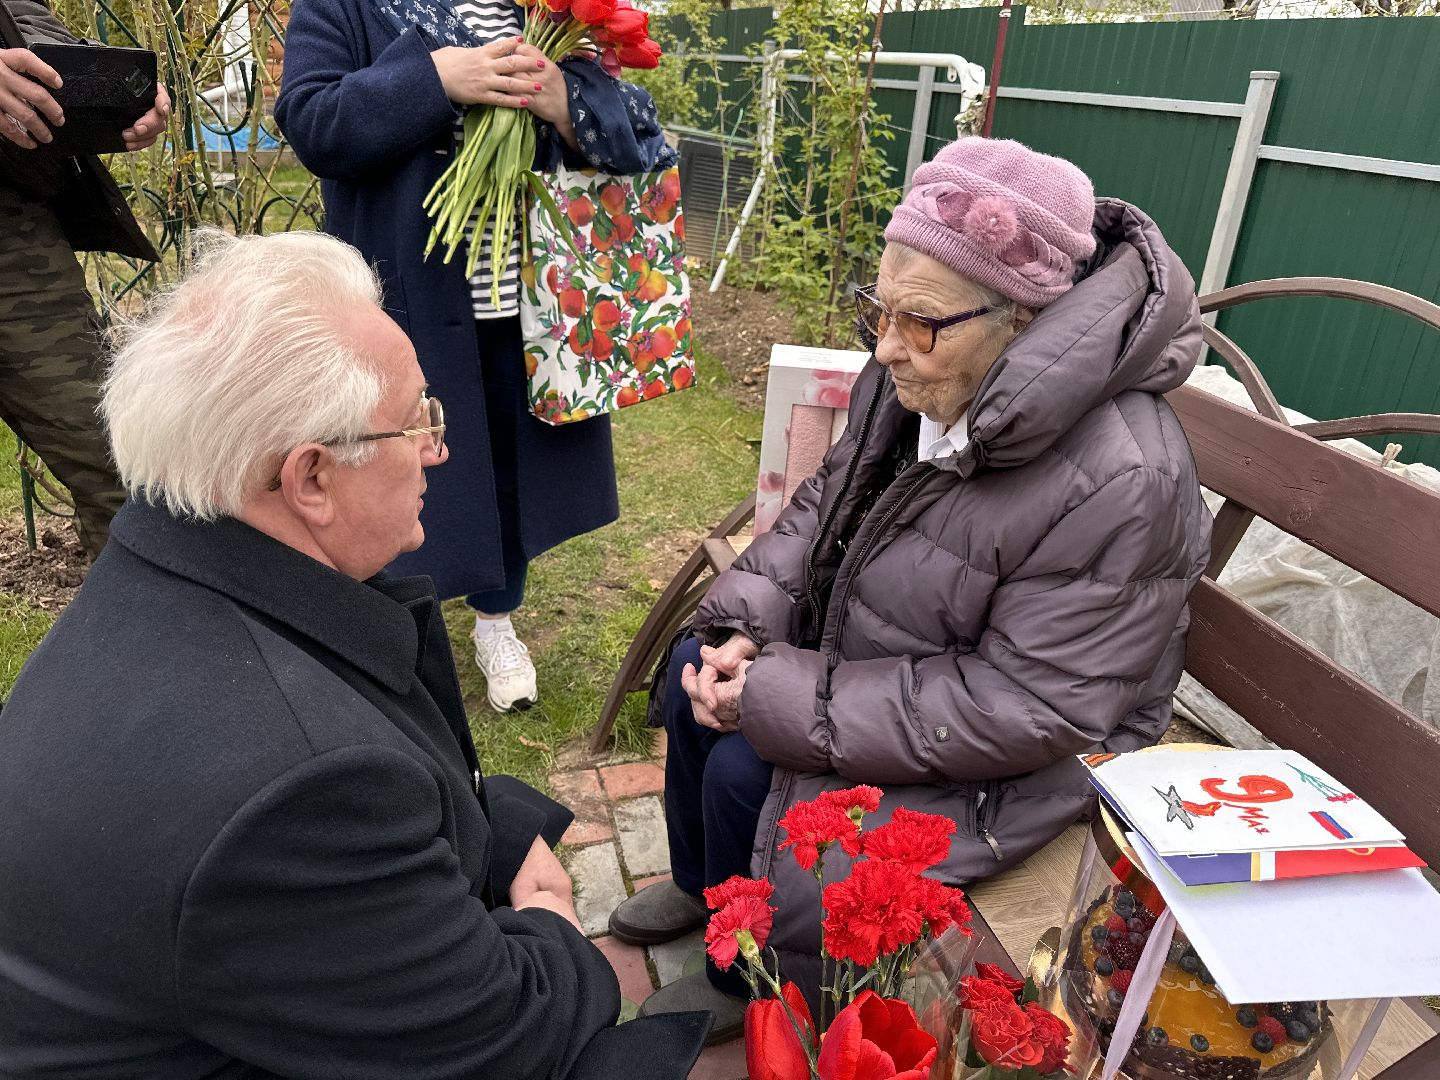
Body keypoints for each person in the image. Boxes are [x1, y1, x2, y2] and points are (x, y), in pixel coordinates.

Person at [0, 230, 709, 1078]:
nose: (438, 451)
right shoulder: (297, 788)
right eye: (418, 420)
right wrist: (557, 929)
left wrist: (502, 826)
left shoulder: (175, 572)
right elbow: (503, 1041)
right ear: (310, 479)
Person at [608, 137, 1215, 1035]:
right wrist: (746, 622)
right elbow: (825, 506)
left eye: (918, 321)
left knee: (748, 766)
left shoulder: (1123, 479)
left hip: (1027, 748)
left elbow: (1034, 704)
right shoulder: (932, 371)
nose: (886, 348)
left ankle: (747, 979)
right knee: (694, 670)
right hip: (892, 664)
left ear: (1027, 318)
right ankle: (708, 894)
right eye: (879, 312)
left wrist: (782, 689)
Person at [275, 0, 676, 713]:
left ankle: (496, 622)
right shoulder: (343, 5)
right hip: (405, 303)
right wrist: (433, 79)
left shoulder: (535, 7)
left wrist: (565, 100)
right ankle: (385, 629)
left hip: (528, 304)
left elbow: (633, 135)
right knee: (382, 465)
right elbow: (313, 124)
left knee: (508, 474)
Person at [0, 0, 169, 558]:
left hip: (13, 237)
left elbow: (18, 14)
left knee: (124, 476)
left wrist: (105, 84)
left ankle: (127, 645)